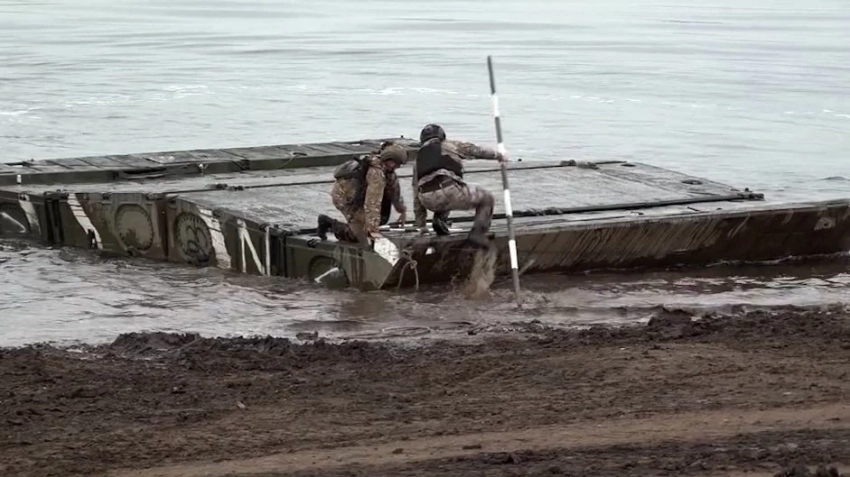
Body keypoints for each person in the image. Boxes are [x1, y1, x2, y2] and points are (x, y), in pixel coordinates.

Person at [412, 123, 504, 247]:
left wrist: (422, 225)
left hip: (426, 198)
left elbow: (416, 193)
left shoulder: (418, 159)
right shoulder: (450, 145)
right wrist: (497, 155)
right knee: (487, 198)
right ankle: (478, 234)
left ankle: (440, 221)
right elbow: (475, 151)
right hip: (448, 190)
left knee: (445, 192)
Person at [317, 142, 408, 244]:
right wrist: (373, 230)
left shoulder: (388, 171)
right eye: (395, 163)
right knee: (359, 239)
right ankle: (328, 222)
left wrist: (402, 210)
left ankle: (361, 227)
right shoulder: (376, 173)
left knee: (378, 219)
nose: (397, 166)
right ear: (388, 159)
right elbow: (372, 202)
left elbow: (394, 191)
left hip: (358, 196)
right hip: (345, 198)